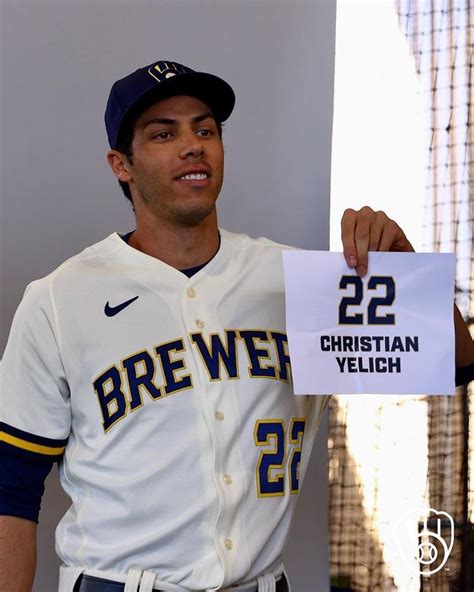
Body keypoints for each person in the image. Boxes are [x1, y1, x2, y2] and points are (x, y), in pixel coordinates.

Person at [0, 60, 473, 592]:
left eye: (206, 129)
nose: (193, 144)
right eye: (164, 133)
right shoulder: (60, 300)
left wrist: (404, 273)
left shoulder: (296, 282)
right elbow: (10, 488)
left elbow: (455, 364)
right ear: (121, 165)